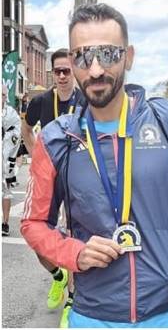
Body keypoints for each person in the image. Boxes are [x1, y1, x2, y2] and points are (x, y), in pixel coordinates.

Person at [21, 3, 168, 327]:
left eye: (107, 54)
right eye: (82, 56)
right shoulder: (56, 139)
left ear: (129, 56)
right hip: (93, 317)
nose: (94, 70)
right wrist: (72, 253)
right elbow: (33, 222)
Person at [20, 48, 86, 327]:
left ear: (73, 71)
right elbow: (26, 127)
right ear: (52, 72)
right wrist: (36, 155)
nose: (61, 76)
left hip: (78, 177)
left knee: (75, 235)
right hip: (49, 177)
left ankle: (73, 300)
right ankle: (58, 277)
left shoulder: (85, 100)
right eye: (57, 71)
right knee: (35, 233)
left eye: (66, 70)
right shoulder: (42, 101)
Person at [2, 84, 21, 236]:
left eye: (2, 94)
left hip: (6, 156)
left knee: (6, 191)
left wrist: (6, 136)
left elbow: (17, 132)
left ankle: (5, 222)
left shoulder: (11, 113)